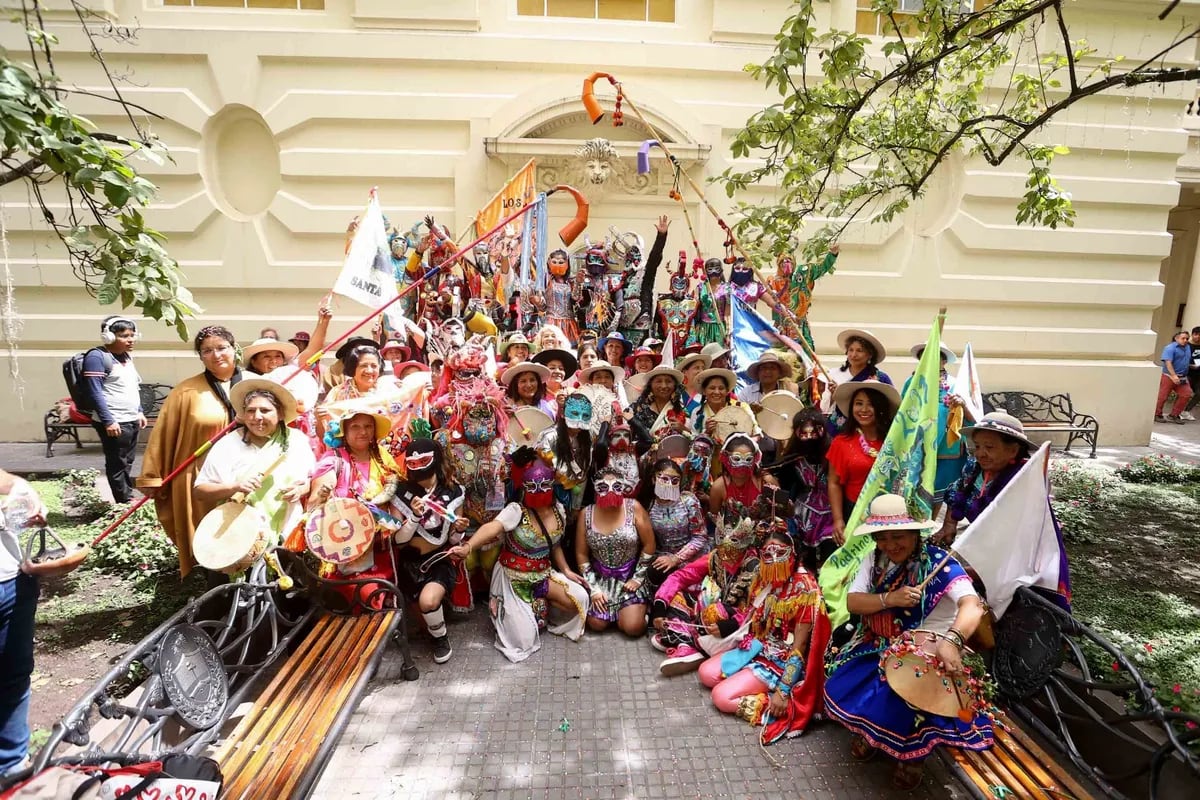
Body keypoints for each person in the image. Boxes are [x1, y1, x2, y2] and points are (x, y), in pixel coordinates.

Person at [824, 494, 992, 790]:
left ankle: (913, 757)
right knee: (864, 685)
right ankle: (872, 734)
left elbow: (971, 604)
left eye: (898, 537)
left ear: (916, 534)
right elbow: (853, 602)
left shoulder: (940, 565)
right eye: (883, 538)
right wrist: (889, 599)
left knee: (910, 696)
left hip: (931, 653)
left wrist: (951, 641)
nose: (890, 545)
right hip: (880, 645)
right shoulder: (875, 559)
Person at [698, 527, 830, 743]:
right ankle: (748, 679)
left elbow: (800, 646)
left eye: (781, 553)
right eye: (767, 555)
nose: (773, 560)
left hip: (782, 661)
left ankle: (781, 706)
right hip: (758, 647)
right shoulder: (764, 577)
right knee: (706, 673)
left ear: (793, 554)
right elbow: (750, 615)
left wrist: (782, 691)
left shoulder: (805, 590)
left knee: (721, 697)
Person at [450, 457, 589, 662]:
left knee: (580, 598)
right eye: (532, 487)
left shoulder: (558, 510)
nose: (539, 490)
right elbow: (492, 528)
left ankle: (536, 606)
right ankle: (518, 613)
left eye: (544, 486)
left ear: (552, 486)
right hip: (513, 577)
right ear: (524, 488)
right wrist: (469, 546)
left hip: (543, 574)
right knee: (523, 642)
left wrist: (567, 571)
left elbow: (555, 544)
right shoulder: (516, 510)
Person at [137, 325, 244, 577]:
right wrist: (152, 476)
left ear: (234, 349)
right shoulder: (186, 391)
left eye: (221, 348)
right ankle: (214, 586)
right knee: (211, 536)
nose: (216, 355)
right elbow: (163, 434)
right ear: (200, 356)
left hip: (247, 472)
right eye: (207, 350)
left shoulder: (254, 382)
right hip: (200, 475)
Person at [193, 379, 315, 551]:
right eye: (251, 411)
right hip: (239, 535)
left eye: (265, 410)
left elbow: (312, 479)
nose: (257, 417)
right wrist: (235, 487)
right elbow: (200, 491)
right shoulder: (228, 444)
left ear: (280, 414)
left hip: (288, 533)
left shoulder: (296, 440)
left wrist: (301, 490)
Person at [305, 411, 402, 609]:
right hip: (344, 547)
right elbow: (315, 501)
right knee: (359, 600)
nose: (363, 432)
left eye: (368, 426)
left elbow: (395, 495)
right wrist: (325, 492)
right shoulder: (334, 459)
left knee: (380, 599)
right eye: (355, 427)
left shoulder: (382, 457)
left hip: (381, 546)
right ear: (344, 431)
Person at [651, 510, 761, 676]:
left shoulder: (755, 567)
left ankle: (684, 639)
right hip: (712, 611)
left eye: (731, 549)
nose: (725, 554)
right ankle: (687, 644)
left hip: (739, 621)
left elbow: (757, 605)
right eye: (722, 548)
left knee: (715, 611)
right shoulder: (714, 557)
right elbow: (680, 576)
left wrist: (731, 624)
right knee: (675, 596)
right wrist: (659, 606)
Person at [388, 438, 467, 662]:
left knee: (428, 602)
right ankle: (434, 624)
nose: (418, 466)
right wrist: (413, 517)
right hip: (409, 564)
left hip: (438, 560)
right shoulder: (401, 492)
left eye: (424, 461)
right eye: (412, 462)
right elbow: (398, 541)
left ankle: (440, 639)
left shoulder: (453, 491)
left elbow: (452, 538)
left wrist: (460, 530)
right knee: (422, 619)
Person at [0, 470, 47, 776]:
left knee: (14, 677)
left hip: (10, 579)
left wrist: (23, 490)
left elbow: (4, 480)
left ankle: (13, 766)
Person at [576, 468, 655, 636]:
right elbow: (581, 554)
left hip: (630, 577)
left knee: (633, 627)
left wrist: (638, 578)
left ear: (624, 487)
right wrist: (594, 588)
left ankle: (639, 611)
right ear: (595, 487)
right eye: (603, 487)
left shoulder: (634, 508)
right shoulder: (586, 514)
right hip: (601, 578)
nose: (610, 491)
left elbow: (649, 545)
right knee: (596, 624)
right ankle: (617, 612)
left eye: (616, 486)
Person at [935, 412, 1033, 545]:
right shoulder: (973, 468)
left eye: (989, 447)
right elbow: (958, 492)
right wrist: (949, 524)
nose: (980, 454)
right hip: (980, 542)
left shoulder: (1024, 479)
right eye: (977, 446)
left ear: (1013, 451)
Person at [826, 380, 899, 544]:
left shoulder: (894, 442)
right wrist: (838, 520)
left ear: (880, 408)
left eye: (871, 404)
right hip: (854, 512)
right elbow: (834, 483)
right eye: (859, 404)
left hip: (890, 514)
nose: (864, 410)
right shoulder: (841, 442)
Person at [84, 316, 147, 504]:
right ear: (109, 337)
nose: (131, 340)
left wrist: (139, 410)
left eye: (132, 335)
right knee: (117, 462)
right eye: (124, 336)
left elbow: (132, 386)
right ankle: (124, 501)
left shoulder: (126, 357)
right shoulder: (96, 357)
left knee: (127, 460)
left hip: (130, 418)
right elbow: (95, 392)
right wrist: (108, 420)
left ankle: (126, 495)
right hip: (114, 420)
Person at [905, 343, 970, 513]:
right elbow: (902, 413)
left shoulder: (956, 384)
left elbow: (969, 416)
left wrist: (961, 405)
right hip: (918, 445)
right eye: (925, 358)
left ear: (943, 361)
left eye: (935, 357)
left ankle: (931, 525)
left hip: (947, 448)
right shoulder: (912, 383)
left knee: (940, 490)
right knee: (915, 488)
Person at [773, 408, 836, 569]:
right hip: (802, 515)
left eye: (814, 432)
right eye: (804, 433)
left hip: (832, 514)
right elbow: (782, 481)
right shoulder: (793, 460)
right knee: (804, 562)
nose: (809, 438)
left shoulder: (835, 454)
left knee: (830, 561)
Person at [639, 459, 709, 597]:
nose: (669, 484)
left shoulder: (689, 501)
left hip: (694, 556)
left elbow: (700, 536)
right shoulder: (648, 506)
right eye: (664, 479)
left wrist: (676, 559)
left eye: (675, 480)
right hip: (663, 557)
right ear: (654, 479)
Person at [824, 329, 892, 427]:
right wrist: (834, 395)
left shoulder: (881, 378)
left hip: (870, 429)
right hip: (840, 429)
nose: (854, 355)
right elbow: (825, 408)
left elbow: (888, 407)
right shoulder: (834, 374)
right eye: (851, 350)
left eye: (859, 350)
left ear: (870, 354)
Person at [708, 433, 774, 516]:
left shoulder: (766, 481)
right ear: (725, 458)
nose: (742, 464)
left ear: (755, 458)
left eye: (748, 459)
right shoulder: (719, 486)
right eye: (736, 459)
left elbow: (784, 513)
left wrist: (788, 507)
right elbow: (714, 518)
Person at [628, 365, 687, 452]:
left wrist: (683, 429)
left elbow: (692, 438)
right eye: (658, 381)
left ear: (674, 385)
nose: (664, 386)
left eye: (668, 381)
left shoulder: (682, 409)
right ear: (650, 385)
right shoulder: (636, 408)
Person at [691, 368, 757, 446]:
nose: (716, 392)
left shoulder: (742, 408)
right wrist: (707, 432)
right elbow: (694, 442)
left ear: (727, 391)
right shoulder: (698, 412)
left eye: (721, 388)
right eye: (712, 388)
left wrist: (744, 445)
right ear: (704, 391)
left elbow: (756, 433)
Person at [1155, 330, 1193, 423]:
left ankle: (1174, 415)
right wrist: (1173, 375)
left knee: (1186, 394)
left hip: (1182, 376)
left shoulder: (1188, 347)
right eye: (1183, 338)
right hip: (1169, 375)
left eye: (1187, 338)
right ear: (1176, 338)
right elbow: (1168, 362)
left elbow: (1185, 360)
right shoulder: (1170, 348)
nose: (1185, 340)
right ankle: (1157, 414)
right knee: (1163, 396)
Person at [1184, 326, 1200, 420]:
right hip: (1188, 373)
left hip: (1198, 375)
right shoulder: (1187, 346)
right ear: (1192, 334)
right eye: (1196, 334)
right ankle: (1176, 412)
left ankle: (1186, 411)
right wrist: (1190, 365)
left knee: (1199, 393)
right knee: (1185, 393)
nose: (1198, 337)